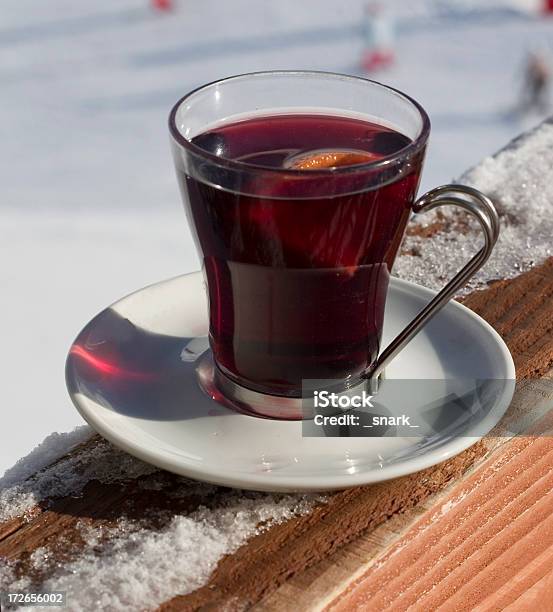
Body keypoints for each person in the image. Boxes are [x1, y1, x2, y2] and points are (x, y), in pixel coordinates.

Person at [361, 3, 395, 73]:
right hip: (375, 46)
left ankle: (384, 66)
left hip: (382, 45)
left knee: (382, 55)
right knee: (377, 56)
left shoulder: (382, 22)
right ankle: (376, 67)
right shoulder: (370, 22)